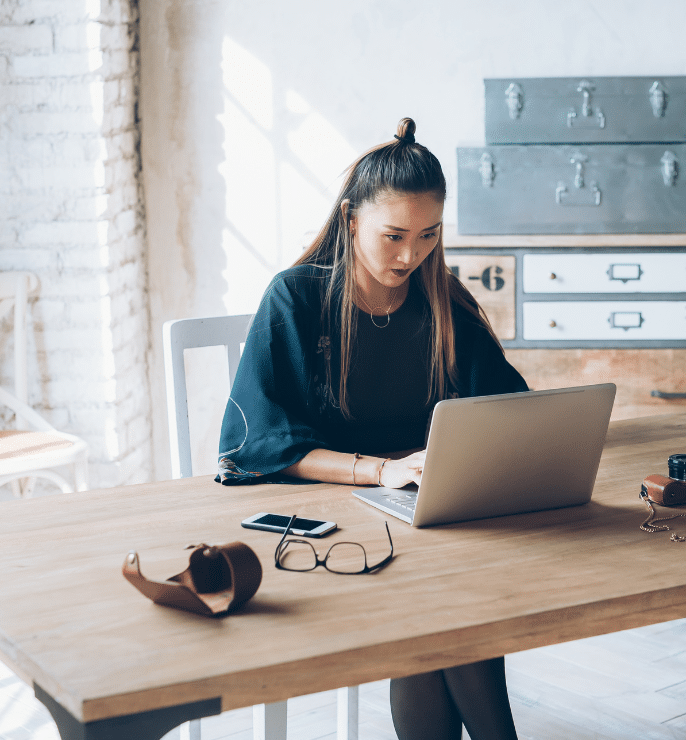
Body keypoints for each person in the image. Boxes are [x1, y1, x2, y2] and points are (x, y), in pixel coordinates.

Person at [217, 117, 527, 740]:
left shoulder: (444, 300)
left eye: (429, 235)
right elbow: (256, 447)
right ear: (353, 219)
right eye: (393, 236)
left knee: (442, 597)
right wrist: (381, 471)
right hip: (326, 539)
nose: (411, 256)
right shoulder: (295, 300)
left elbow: (509, 410)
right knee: (442, 606)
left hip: (426, 523)